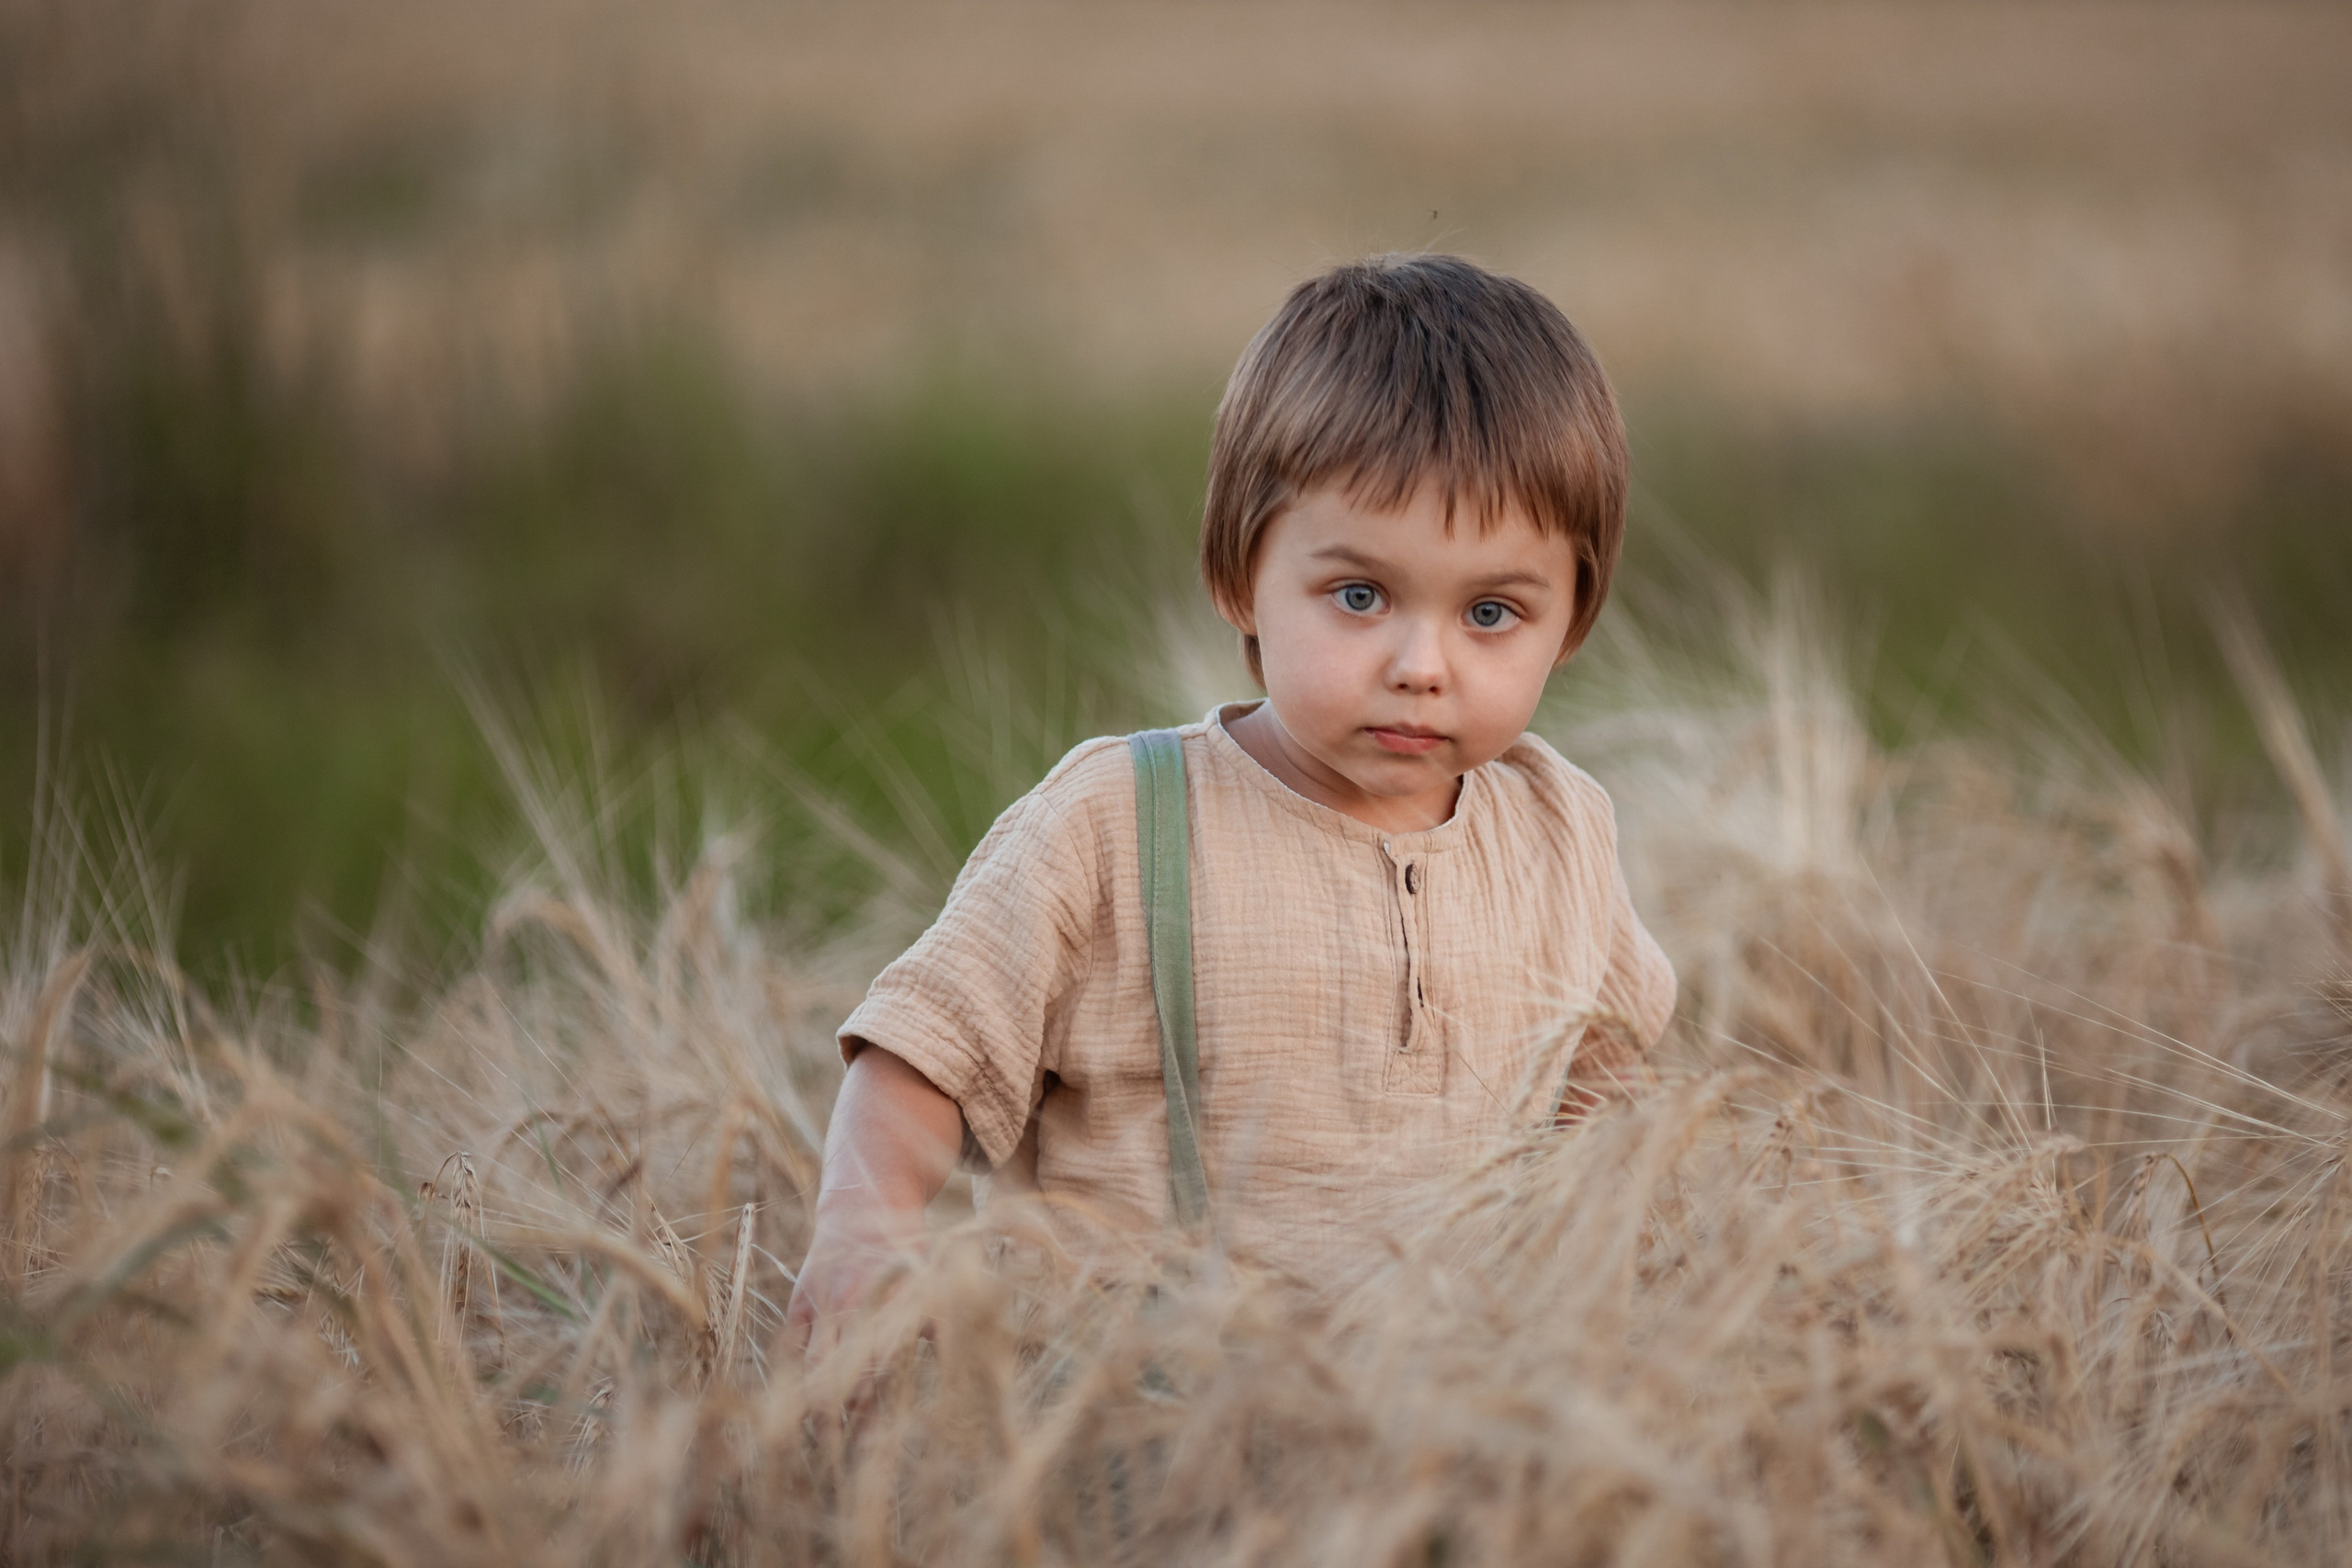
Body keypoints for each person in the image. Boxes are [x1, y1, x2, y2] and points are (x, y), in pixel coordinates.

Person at [786, 254, 1675, 1348]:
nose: (1421, 663)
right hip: (1135, 1438)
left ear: (1573, 621)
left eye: (1492, 613)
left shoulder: (1558, 831)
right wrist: (861, 1229)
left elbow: (1601, 1087)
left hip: (1452, 1441)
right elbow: (925, 1050)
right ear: (1234, 574)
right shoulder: (1119, 821)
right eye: (1360, 595)